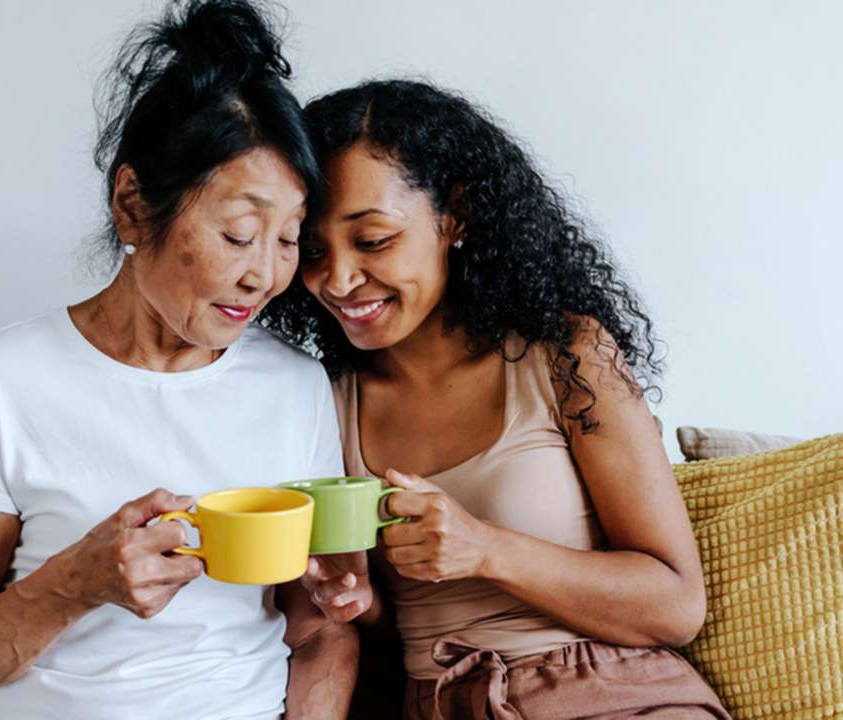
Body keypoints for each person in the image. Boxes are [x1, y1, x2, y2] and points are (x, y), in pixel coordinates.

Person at [0, 2, 357, 718]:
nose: (264, 275)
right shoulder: (5, 376)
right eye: (240, 234)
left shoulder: (296, 387)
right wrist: (72, 585)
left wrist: (334, 598)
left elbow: (320, 633)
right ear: (132, 205)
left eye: (288, 238)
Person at [261, 80, 732, 719]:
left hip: (614, 697)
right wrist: (353, 600)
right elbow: (386, 623)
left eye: (372, 241)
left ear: (453, 215)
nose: (338, 279)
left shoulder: (565, 355)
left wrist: (485, 549)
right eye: (312, 250)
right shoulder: (323, 398)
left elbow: (675, 606)